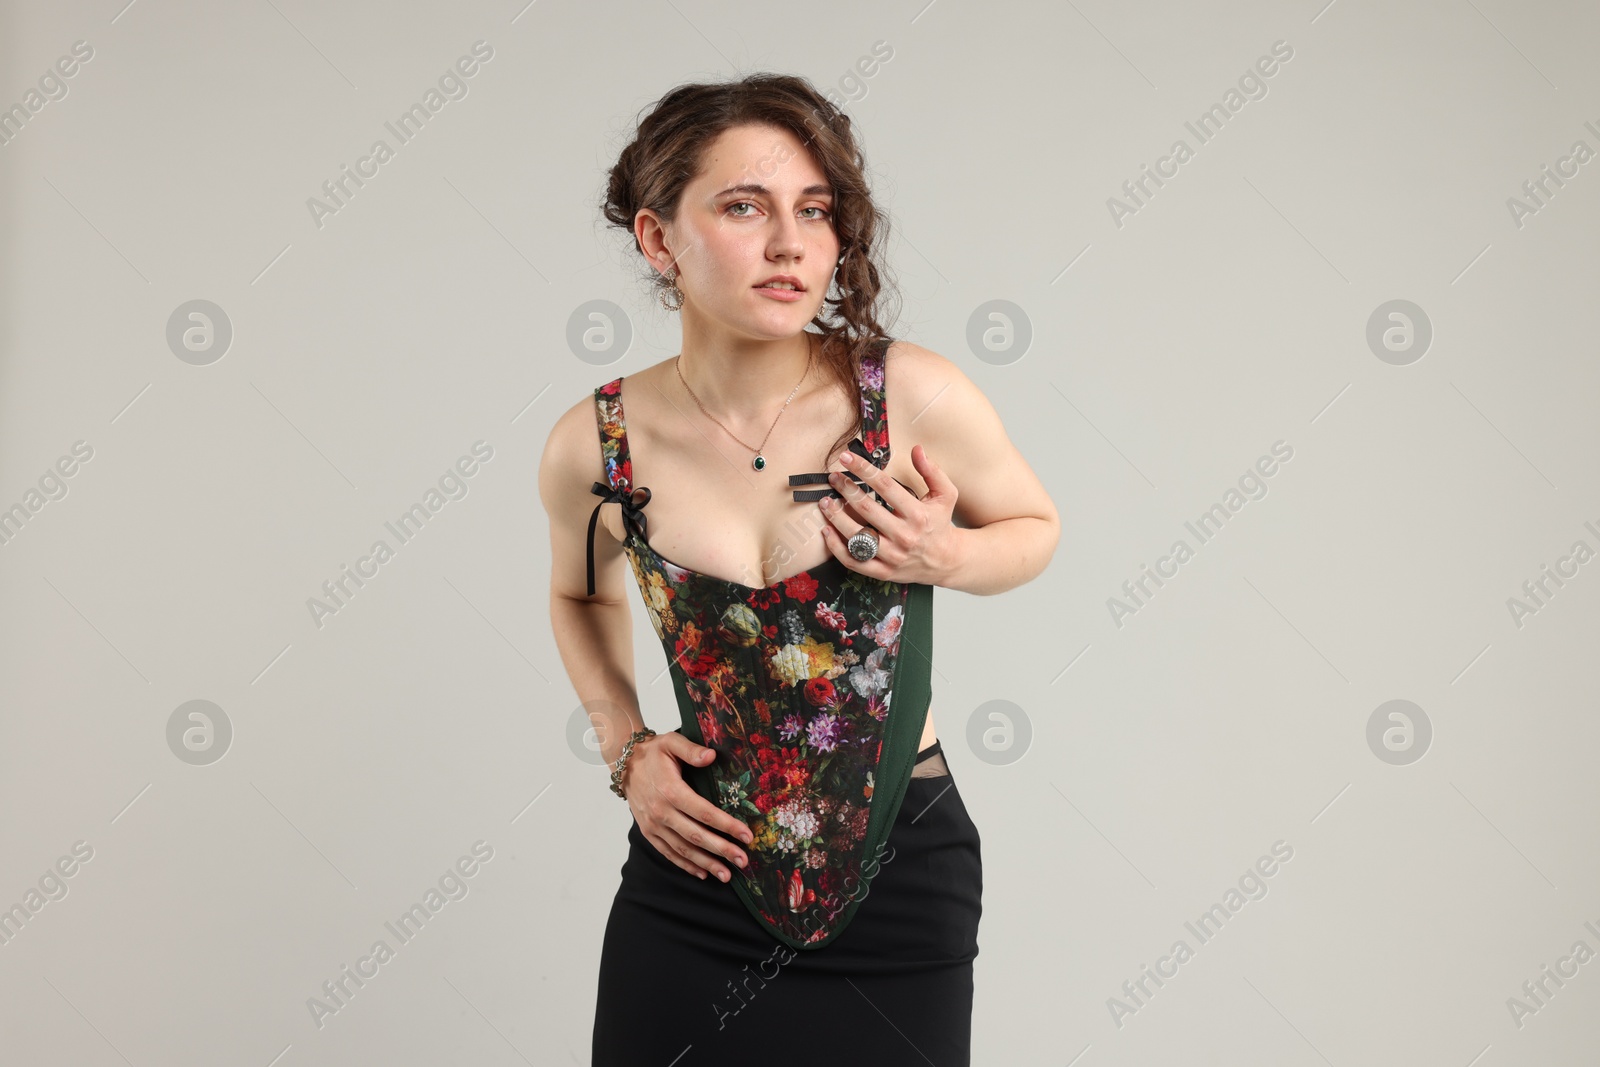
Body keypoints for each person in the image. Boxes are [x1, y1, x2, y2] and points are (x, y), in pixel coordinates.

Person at [538, 72, 1059, 1066]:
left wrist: (942, 553)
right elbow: (576, 590)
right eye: (745, 206)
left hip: (902, 868)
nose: (789, 243)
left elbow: (1034, 526)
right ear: (658, 239)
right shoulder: (596, 442)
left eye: (814, 212)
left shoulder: (907, 392)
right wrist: (627, 748)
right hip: (695, 869)